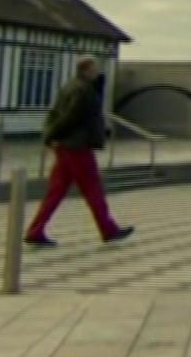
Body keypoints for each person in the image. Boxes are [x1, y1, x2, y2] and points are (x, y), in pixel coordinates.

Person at [24, 58, 134, 246]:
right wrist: (53, 134)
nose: (98, 72)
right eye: (95, 68)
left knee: (56, 190)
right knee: (92, 188)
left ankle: (36, 230)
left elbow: (57, 112)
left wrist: (51, 135)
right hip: (77, 146)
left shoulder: (70, 86)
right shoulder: (83, 90)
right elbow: (71, 116)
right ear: (86, 70)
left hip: (65, 146)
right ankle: (108, 229)